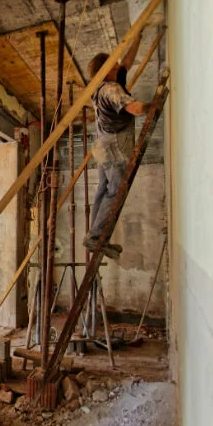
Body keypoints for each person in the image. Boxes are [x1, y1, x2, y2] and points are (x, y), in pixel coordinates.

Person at [84, 30, 152, 260]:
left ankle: (94, 235)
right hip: (113, 146)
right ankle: (96, 237)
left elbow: (127, 63)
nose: (117, 64)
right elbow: (136, 109)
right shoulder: (110, 89)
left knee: (103, 189)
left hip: (103, 144)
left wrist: (137, 37)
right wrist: (153, 104)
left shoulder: (107, 83)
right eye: (113, 63)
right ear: (106, 69)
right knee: (115, 192)